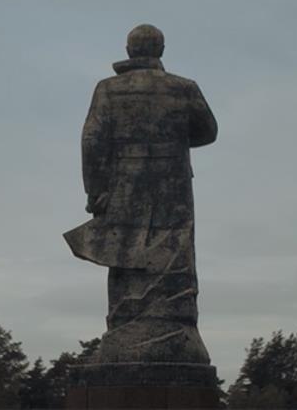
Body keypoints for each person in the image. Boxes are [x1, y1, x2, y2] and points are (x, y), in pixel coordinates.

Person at [64, 24, 217, 364]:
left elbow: (92, 140)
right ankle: (175, 332)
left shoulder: (108, 90)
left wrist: (96, 191)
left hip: (124, 188)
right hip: (172, 190)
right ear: (160, 50)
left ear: (129, 50)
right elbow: (207, 131)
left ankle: (124, 330)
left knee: (125, 256)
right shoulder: (183, 88)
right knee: (173, 256)